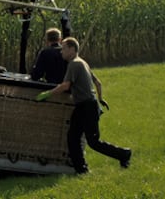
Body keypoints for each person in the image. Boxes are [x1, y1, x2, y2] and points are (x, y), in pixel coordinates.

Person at [36, 37, 132, 174]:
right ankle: (81, 170)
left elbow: (65, 85)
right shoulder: (83, 63)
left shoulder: (74, 64)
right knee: (73, 138)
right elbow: (98, 83)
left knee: (93, 142)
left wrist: (47, 94)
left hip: (86, 107)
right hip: (85, 106)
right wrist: (100, 98)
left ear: (71, 49)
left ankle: (124, 154)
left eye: (63, 49)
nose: (61, 52)